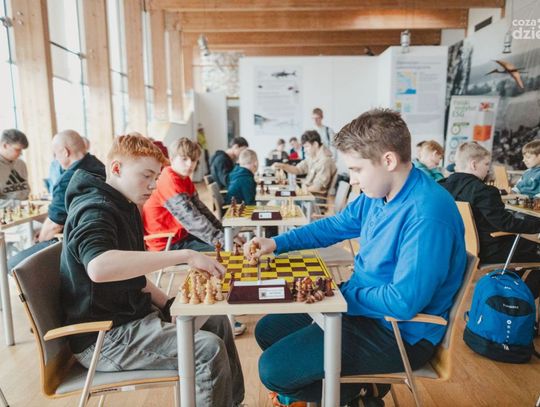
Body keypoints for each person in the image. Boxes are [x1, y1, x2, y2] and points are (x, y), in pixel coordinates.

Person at [244, 108, 467, 406]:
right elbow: (335, 226)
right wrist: (276, 242)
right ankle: (357, 387)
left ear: (388, 161)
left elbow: (403, 302)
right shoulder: (378, 194)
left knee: (273, 370)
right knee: (267, 330)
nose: (353, 180)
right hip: (361, 307)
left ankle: (360, 393)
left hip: (399, 332)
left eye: (358, 170)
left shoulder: (427, 213)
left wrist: (340, 296)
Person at [60, 134, 244, 407]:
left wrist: (168, 304)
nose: (153, 185)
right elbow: (99, 267)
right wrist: (185, 255)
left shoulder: (125, 204)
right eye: (146, 176)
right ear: (117, 168)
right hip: (105, 337)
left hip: (132, 318)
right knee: (207, 350)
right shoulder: (95, 209)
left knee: (216, 321)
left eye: (156, 177)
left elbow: (132, 275)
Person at [8, 130, 106, 270]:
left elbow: (54, 225)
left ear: (65, 152)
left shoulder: (68, 179)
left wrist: (40, 241)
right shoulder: (99, 166)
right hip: (100, 234)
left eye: (56, 154)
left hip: (75, 243)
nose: (56, 159)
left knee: (12, 264)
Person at [441, 141, 540, 265]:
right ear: (473, 164)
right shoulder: (483, 191)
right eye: (486, 164)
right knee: (534, 248)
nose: (488, 169)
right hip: (489, 251)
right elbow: (506, 224)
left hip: (457, 249)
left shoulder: (442, 186)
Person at [143, 137, 225, 253]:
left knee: (225, 246)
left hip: (182, 235)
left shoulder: (184, 178)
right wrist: (224, 241)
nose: (190, 164)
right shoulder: (169, 180)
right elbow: (191, 219)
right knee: (223, 252)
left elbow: (201, 210)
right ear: (172, 158)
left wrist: (224, 232)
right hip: (167, 244)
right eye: (184, 159)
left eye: (193, 160)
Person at [273, 131, 336, 196]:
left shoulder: (325, 161)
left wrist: (297, 191)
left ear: (315, 144)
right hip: (307, 193)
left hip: (314, 197)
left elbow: (317, 188)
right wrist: (282, 166)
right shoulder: (312, 157)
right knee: (279, 194)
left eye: (307, 146)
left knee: (280, 196)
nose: (305, 150)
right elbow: (297, 169)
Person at [0, 129, 30, 207]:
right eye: (17, 149)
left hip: (24, 209)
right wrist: (19, 204)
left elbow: (25, 189)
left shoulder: (21, 164)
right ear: (5, 145)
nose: (21, 153)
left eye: (21, 150)